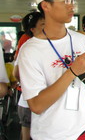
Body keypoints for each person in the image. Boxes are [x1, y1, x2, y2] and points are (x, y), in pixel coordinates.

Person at [18, 0, 85, 140]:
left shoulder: (80, 40)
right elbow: (36, 106)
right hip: (53, 135)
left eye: (72, 0)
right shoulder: (30, 50)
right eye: (65, 1)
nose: (72, 5)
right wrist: (72, 71)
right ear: (46, 6)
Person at [13, 11, 45, 140]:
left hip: (32, 101)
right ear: (32, 29)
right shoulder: (28, 44)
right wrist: (30, 84)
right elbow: (16, 73)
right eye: (43, 24)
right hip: (30, 101)